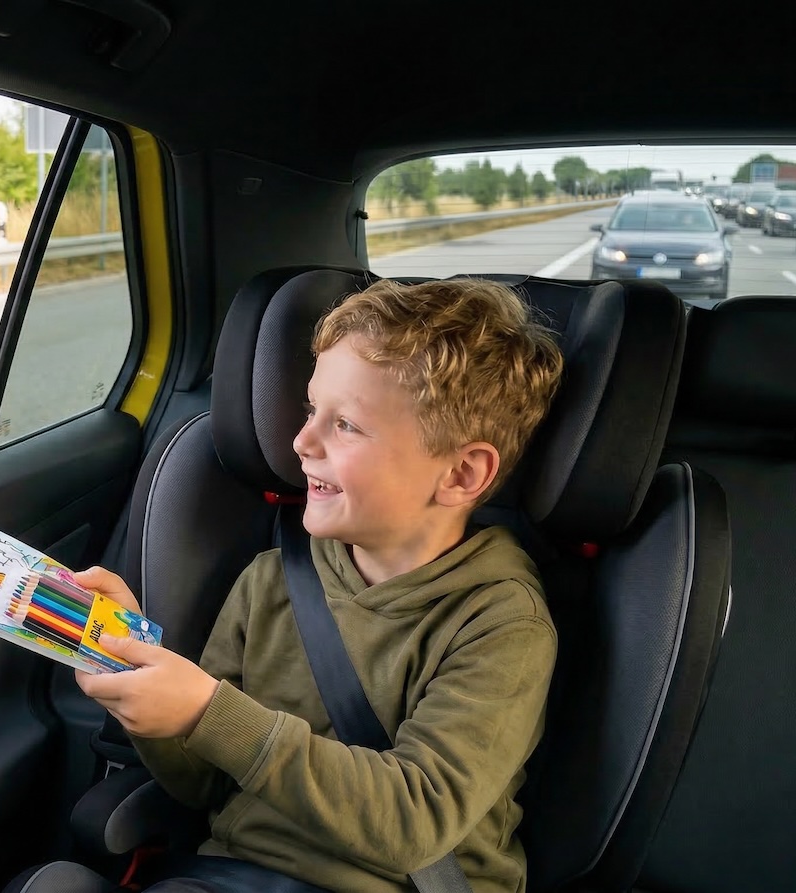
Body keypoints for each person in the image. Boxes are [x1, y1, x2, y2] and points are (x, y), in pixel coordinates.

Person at [57, 277, 566, 892]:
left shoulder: (500, 624)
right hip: (226, 875)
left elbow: (416, 820)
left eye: (346, 425)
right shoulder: (271, 579)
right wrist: (142, 685)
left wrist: (208, 710)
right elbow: (205, 781)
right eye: (309, 410)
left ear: (461, 472)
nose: (301, 442)